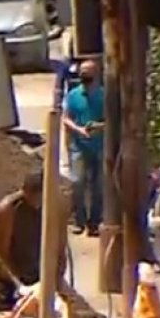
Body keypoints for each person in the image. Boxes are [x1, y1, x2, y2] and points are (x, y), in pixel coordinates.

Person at [0, 170, 69, 311]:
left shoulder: (58, 207)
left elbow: (60, 245)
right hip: (13, 279)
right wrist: (20, 285)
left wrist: (58, 280)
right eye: (32, 197)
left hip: (41, 277)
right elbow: (0, 252)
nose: (36, 202)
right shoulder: (8, 210)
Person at [63, 59, 105, 235]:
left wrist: (99, 127)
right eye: (82, 73)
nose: (84, 76)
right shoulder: (73, 95)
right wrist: (79, 130)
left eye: (88, 73)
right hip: (78, 146)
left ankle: (94, 222)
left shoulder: (105, 96)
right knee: (77, 183)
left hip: (101, 145)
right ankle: (79, 220)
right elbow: (66, 118)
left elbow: (114, 121)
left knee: (99, 186)